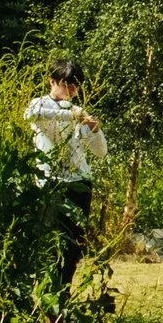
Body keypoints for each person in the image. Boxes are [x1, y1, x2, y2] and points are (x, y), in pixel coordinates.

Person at [27, 57, 108, 286]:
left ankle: (62, 298)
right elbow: (30, 116)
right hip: (51, 185)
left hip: (79, 185)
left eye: (76, 85)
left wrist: (95, 129)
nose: (72, 89)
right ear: (52, 81)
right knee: (52, 246)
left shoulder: (79, 111)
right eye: (68, 83)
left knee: (73, 247)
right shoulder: (40, 105)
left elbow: (100, 152)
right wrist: (74, 115)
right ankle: (46, 301)